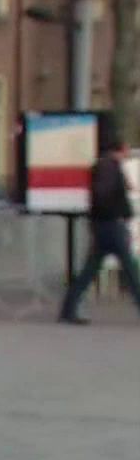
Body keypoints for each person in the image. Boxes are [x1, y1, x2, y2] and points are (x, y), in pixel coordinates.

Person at [58, 131, 140, 323]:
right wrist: (121, 211)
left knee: (90, 270)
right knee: (131, 270)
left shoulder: (105, 166)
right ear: (120, 149)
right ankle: (68, 309)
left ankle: (68, 309)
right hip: (111, 225)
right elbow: (106, 194)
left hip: (103, 225)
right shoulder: (109, 167)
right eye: (126, 149)